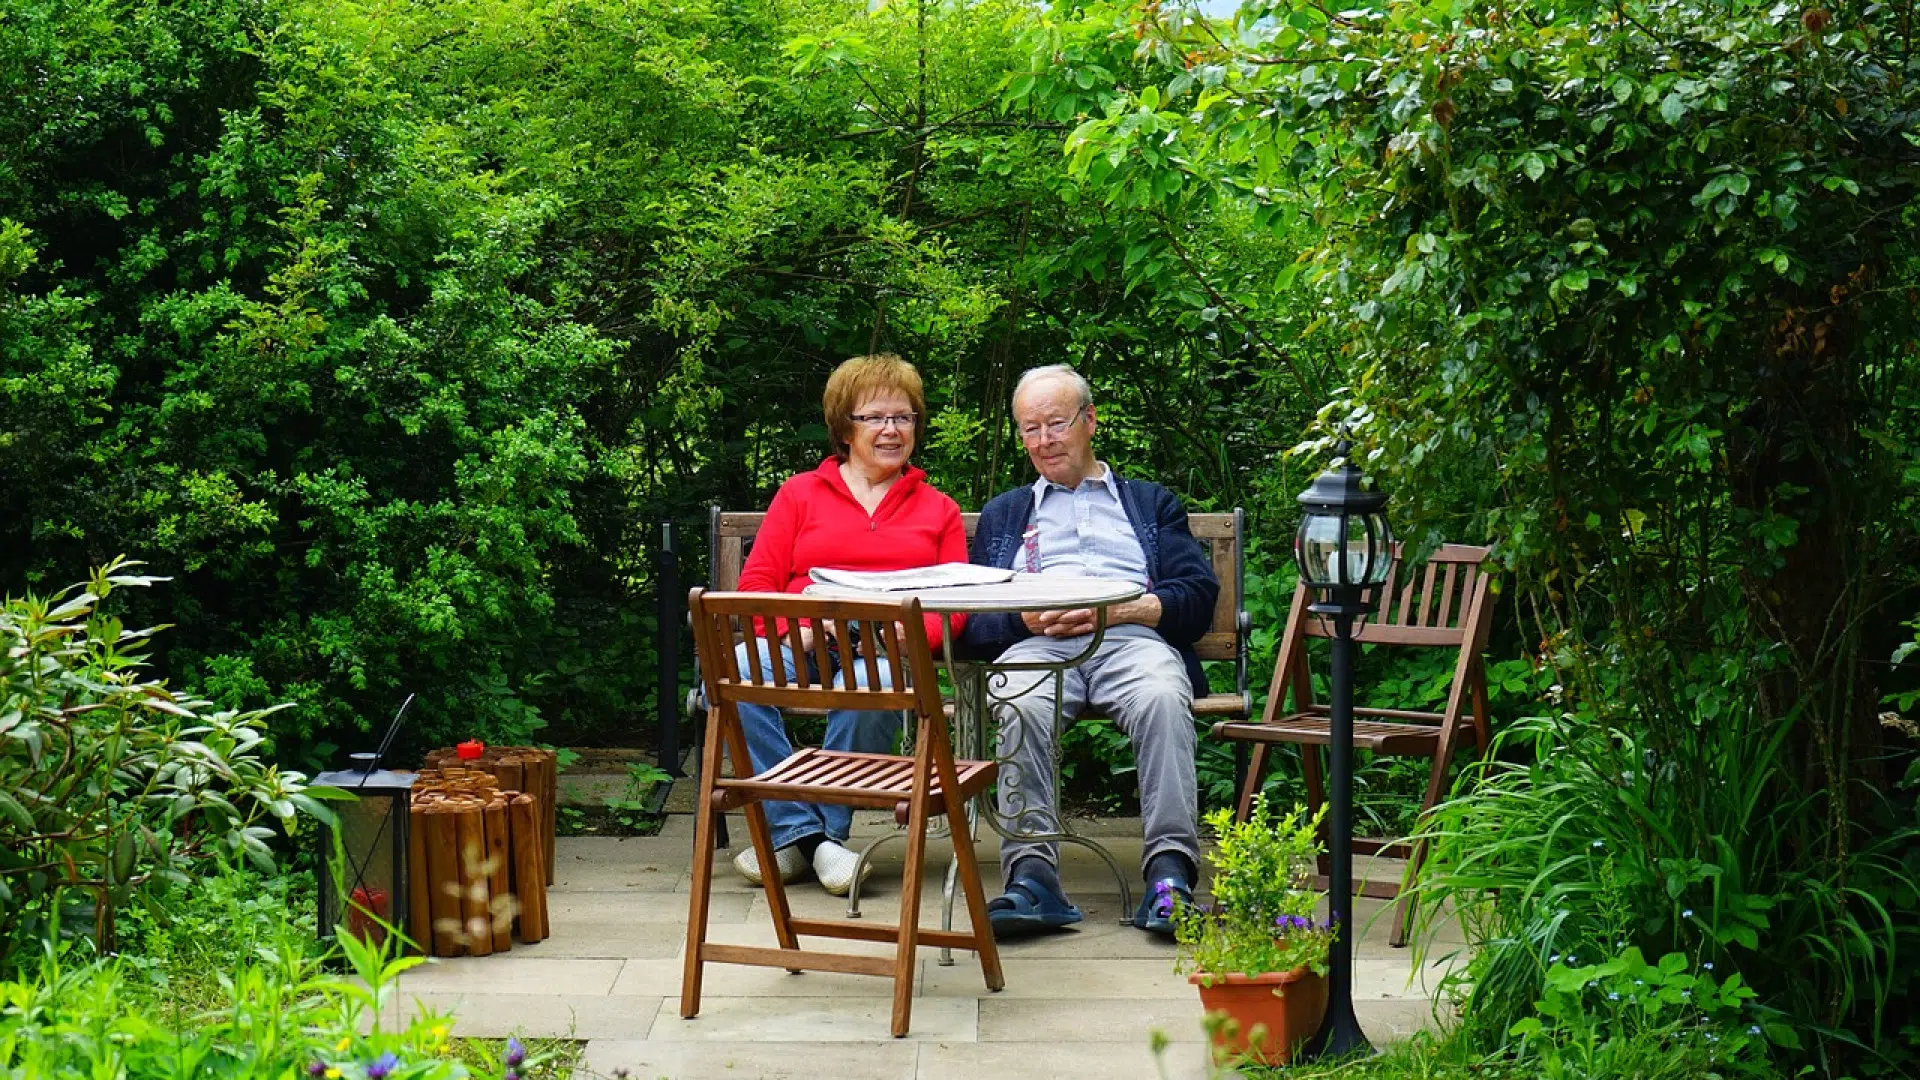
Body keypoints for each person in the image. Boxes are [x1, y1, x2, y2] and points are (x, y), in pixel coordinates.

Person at [961, 364, 1218, 937]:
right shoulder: (1007, 511)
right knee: (1018, 697)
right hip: (1039, 642)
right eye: (1030, 429)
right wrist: (1020, 618)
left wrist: (1120, 611)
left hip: (1130, 639)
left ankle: (1170, 875)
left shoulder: (1149, 502)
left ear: (1090, 420)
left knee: (1160, 696)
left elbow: (1196, 596)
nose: (1044, 440)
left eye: (1055, 423)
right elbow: (972, 623)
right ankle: (1033, 879)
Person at [729, 353, 967, 896]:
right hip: (804, 639)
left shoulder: (939, 509)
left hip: (882, 649)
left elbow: (953, 612)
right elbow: (755, 589)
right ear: (845, 426)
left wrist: (902, 637)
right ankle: (812, 840)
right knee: (738, 669)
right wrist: (797, 631)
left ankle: (813, 840)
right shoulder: (799, 494)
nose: (891, 430)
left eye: (903, 417)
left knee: (874, 684)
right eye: (875, 418)